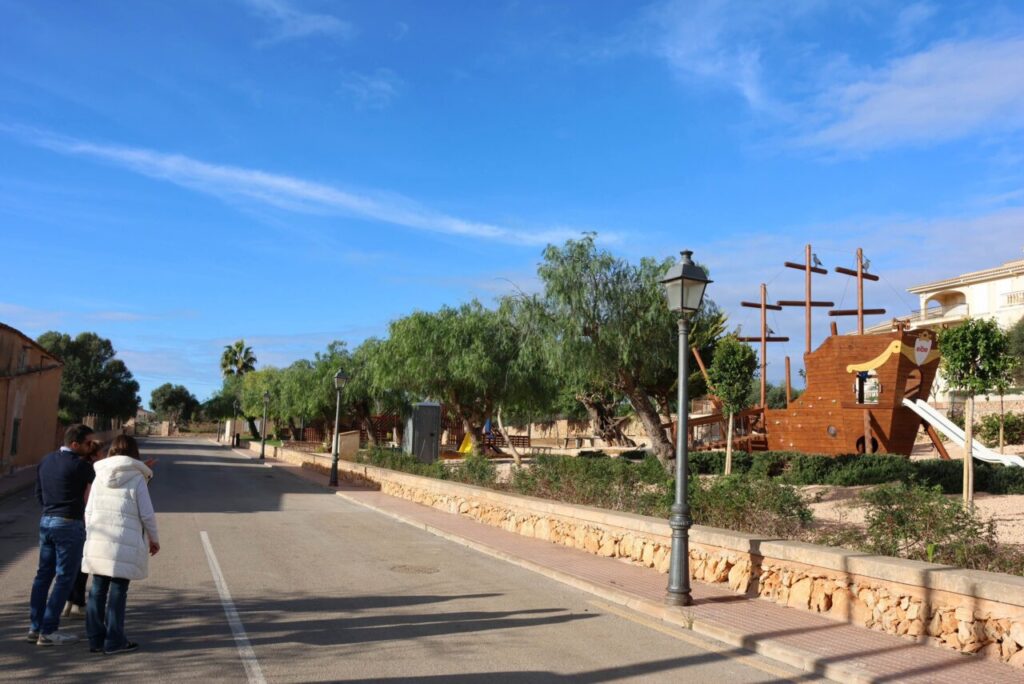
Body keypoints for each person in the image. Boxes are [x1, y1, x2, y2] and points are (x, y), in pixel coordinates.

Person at [82, 434, 159, 655]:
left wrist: (91, 536)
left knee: (97, 590)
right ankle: (114, 641)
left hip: (99, 541)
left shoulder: (99, 476)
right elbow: (147, 514)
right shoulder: (137, 478)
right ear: (134, 453)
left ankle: (95, 640)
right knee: (118, 591)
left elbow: (88, 510)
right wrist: (154, 539)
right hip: (124, 544)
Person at [29, 423, 98, 646]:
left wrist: (51, 509)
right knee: (64, 578)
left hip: (47, 521)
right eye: (88, 443)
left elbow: (38, 492)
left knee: (43, 576)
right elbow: (96, 490)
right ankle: (48, 631)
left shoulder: (46, 460)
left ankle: (35, 626)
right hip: (69, 523)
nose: (91, 446)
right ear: (75, 444)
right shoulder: (81, 466)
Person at [63, 440, 106, 620]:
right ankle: (77, 603)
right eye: (101, 453)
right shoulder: (92, 471)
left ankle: (69, 602)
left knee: (72, 564)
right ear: (95, 455)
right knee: (83, 565)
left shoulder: (79, 467)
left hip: (74, 519)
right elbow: (89, 497)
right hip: (86, 521)